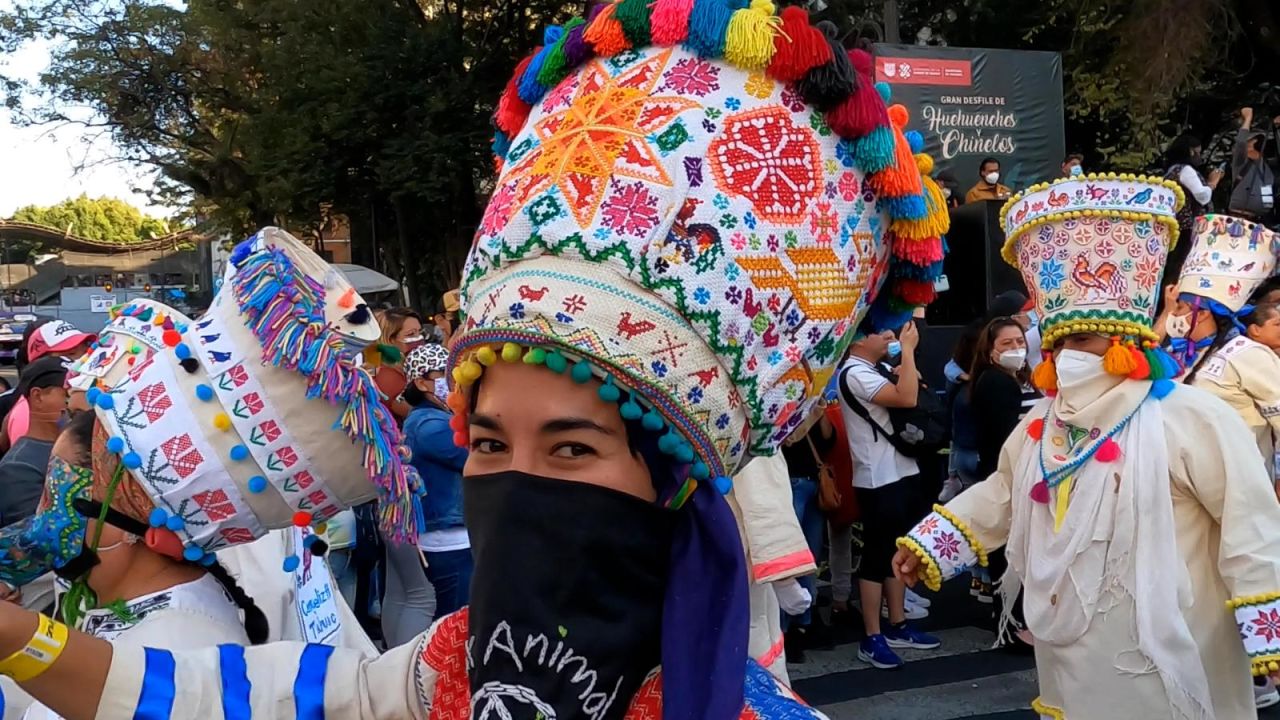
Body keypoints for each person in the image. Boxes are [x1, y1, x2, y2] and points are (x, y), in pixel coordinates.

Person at [0, 5, 952, 716]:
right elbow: (228, 696)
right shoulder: (453, 663)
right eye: (489, 442)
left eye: (572, 449)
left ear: (669, 480)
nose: (517, 482)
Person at [894, 174, 1280, 718]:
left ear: (1125, 342)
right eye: (1058, 342)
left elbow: (1251, 522)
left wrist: (1268, 628)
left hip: (1171, 650)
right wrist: (932, 542)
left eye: (1081, 340)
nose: (1067, 355)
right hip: (1070, 649)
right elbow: (1006, 492)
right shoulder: (1043, 426)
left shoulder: (1191, 418)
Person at [838, 322, 940, 670]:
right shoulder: (855, 373)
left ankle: (897, 624)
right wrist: (909, 352)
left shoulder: (875, 369)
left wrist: (906, 364)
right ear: (857, 341)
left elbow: (915, 388)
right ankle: (872, 635)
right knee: (876, 556)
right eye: (879, 332)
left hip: (901, 469)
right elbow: (906, 398)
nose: (890, 338)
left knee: (900, 550)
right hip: (877, 477)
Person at [1163, 215, 1280, 488]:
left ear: (1201, 314)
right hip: (1183, 486)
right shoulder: (1175, 355)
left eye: (1179, 308)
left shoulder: (1245, 353)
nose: (1173, 314)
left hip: (1241, 485)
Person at [966, 317, 1038, 637]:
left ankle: (1016, 620)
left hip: (1026, 475)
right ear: (991, 351)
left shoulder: (1019, 377)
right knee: (1009, 553)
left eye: (1019, 342)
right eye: (1006, 344)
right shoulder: (996, 382)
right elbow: (1005, 438)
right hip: (1010, 476)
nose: (1015, 348)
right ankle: (1011, 623)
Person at [402, 343, 472, 621]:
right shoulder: (430, 426)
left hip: (456, 535)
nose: (453, 380)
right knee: (455, 621)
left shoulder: (437, 418)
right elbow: (475, 457)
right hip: (449, 539)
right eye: (444, 373)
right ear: (420, 382)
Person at [778, 414, 835, 661]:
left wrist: (818, 409)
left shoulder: (809, 399)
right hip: (792, 481)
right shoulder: (782, 403)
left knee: (810, 558)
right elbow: (788, 439)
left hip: (812, 480)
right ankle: (784, 631)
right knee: (789, 559)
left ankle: (805, 622)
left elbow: (827, 439)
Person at [1, 321, 94, 453]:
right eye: (71, 354)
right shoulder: (22, 411)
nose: (82, 361)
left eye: (86, 353)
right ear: (42, 362)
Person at [0, 357, 69, 528]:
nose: (73, 403)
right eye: (67, 394)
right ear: (37, 396)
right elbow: (31, 540)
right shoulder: (18, 466)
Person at [1164, 133, 1223, 283]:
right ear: (1191, 151)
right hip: (1188, 226)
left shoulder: (1172, 170)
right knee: (1181, 264)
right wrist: (1212, 183)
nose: (1200, 156)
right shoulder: (1186, 170)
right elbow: (1202, 196)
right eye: (1198, 152)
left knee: (1175, 263)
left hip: (1177, 224)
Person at [370, 307, 425, 424]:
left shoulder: (408, 366)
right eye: (411, 334)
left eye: (420, 332)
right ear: (391, 340)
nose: (419, 338)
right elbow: (415, 413)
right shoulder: (387, 376)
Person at [1230, 107, 1278, 224]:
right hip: (1236, 217)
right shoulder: (1240, 162)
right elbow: (1240, 143)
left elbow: (1268, 193)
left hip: (1258, 221)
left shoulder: (1266, 168)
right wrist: (1248, 119)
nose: (1247, 146)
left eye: (1250, 143)